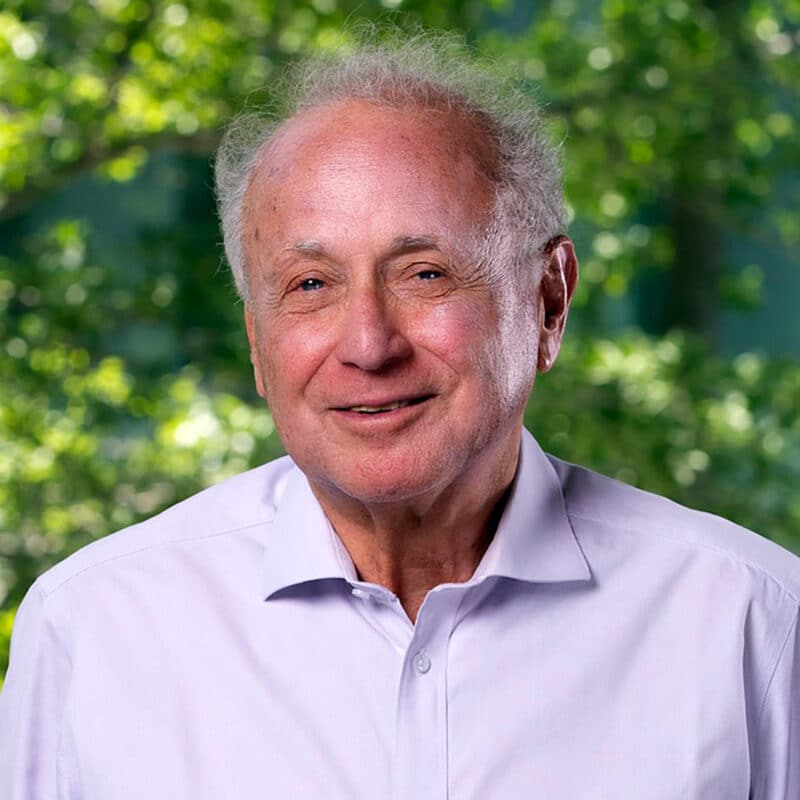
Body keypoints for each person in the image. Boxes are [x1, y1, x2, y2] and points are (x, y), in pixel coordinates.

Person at [1, 33, 798, 799]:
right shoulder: (93, 629)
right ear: (256, 340)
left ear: (549, 302)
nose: (368, 344)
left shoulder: (751, 622)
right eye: (310, 285)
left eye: (424, 273)